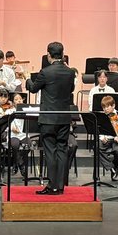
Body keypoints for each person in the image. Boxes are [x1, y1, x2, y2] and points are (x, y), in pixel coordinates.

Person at [24, 41, 76, 195]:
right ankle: (60, 186)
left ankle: (52, 186)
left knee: (50, 151)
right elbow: (71, 89)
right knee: (62, 150)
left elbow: (33, 88)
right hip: (64, 117)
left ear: (48, 55)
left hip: (48, 118)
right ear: (62, 54)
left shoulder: (45, 72)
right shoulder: (70, 72)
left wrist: (27, 78)